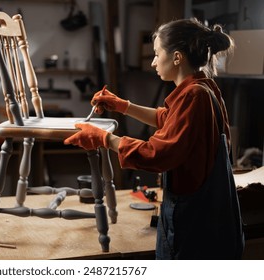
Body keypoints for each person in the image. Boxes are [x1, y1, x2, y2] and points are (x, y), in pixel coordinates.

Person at [64, 18, 244, 259]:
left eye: (157, 54)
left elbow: (158, 153)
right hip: (208, 216)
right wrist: (122, 105)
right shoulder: (203, 87)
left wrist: (105, 139)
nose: (153, 61)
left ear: (177, 57)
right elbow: (168, 119)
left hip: (194, 223)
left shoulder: (194, 96)